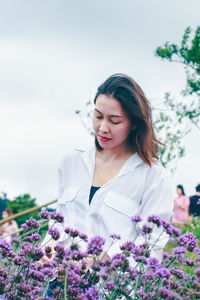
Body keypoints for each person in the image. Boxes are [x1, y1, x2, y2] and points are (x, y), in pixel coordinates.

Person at [42, 73, 173, 267]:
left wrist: (97, 262)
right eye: (98, 116)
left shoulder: (153, 176)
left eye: (115, 121)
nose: (103, 127)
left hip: (111, 289)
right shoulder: (71, 162)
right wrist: (49, 246)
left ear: (134, 123)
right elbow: (58, 223)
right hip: (59, 283)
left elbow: (151, 246)